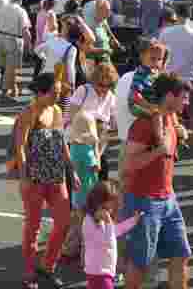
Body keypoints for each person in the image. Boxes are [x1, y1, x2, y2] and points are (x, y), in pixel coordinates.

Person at [122, 72, 192, 289]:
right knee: (140, 263)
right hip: (143, 201)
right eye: (183, 97)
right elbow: (130, 164)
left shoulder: (169, 119)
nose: (187, 102)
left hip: (168, 198)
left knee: (181, 255)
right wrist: (158, 151)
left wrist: (178, 136)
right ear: (170, 96)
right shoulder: (143, 124)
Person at [14, 73, 79, 289]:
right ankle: (29, 272)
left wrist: (72, 171)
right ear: (40, 93)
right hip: (34, 178)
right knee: (32, 226)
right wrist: (24, 177)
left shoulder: (57, 110)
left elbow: (61, 142)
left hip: (56, 174)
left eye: (59, 93)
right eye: (54, 93)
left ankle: (48, 266)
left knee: (64, 222)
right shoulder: (28, 113)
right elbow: (20, 147)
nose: (57, 96)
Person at [63, 62, 119, 260]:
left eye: (108, 86)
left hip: (97, 152)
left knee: (97, 201)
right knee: (76, 203)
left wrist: (98, 150)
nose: (103, 89)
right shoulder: (83, 91)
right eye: (100, 85)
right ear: (94, 81)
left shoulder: (111, 97)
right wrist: (90, 126)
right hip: (78, 150)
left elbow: (112, 128)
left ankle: (89, 243)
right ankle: (71, 245)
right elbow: (69, 119)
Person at [82, 181, 144, 289]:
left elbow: (117, 230)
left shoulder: (99, 221)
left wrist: (134, 220)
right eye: (110, 207)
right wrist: (108, 221)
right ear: (100, 203)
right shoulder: (89, 222)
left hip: (101, 273)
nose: (112, 210)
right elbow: (107, 241)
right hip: (100, 274)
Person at [159, 2, 193, 134]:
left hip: (169, 81)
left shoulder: (165, 32)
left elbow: (160, 57)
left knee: (166, 120)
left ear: (175, 15)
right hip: (190, 80)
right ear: (190, 15)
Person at [0, 0, 32, 102]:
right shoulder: (21, 11)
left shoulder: (2, 9)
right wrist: (29, 45)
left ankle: (12, 89)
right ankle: (5, 92)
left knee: (3, 67)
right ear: (20, 0)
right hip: (13, 39)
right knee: (11, 68)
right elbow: (25, 29)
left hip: (0, 37)